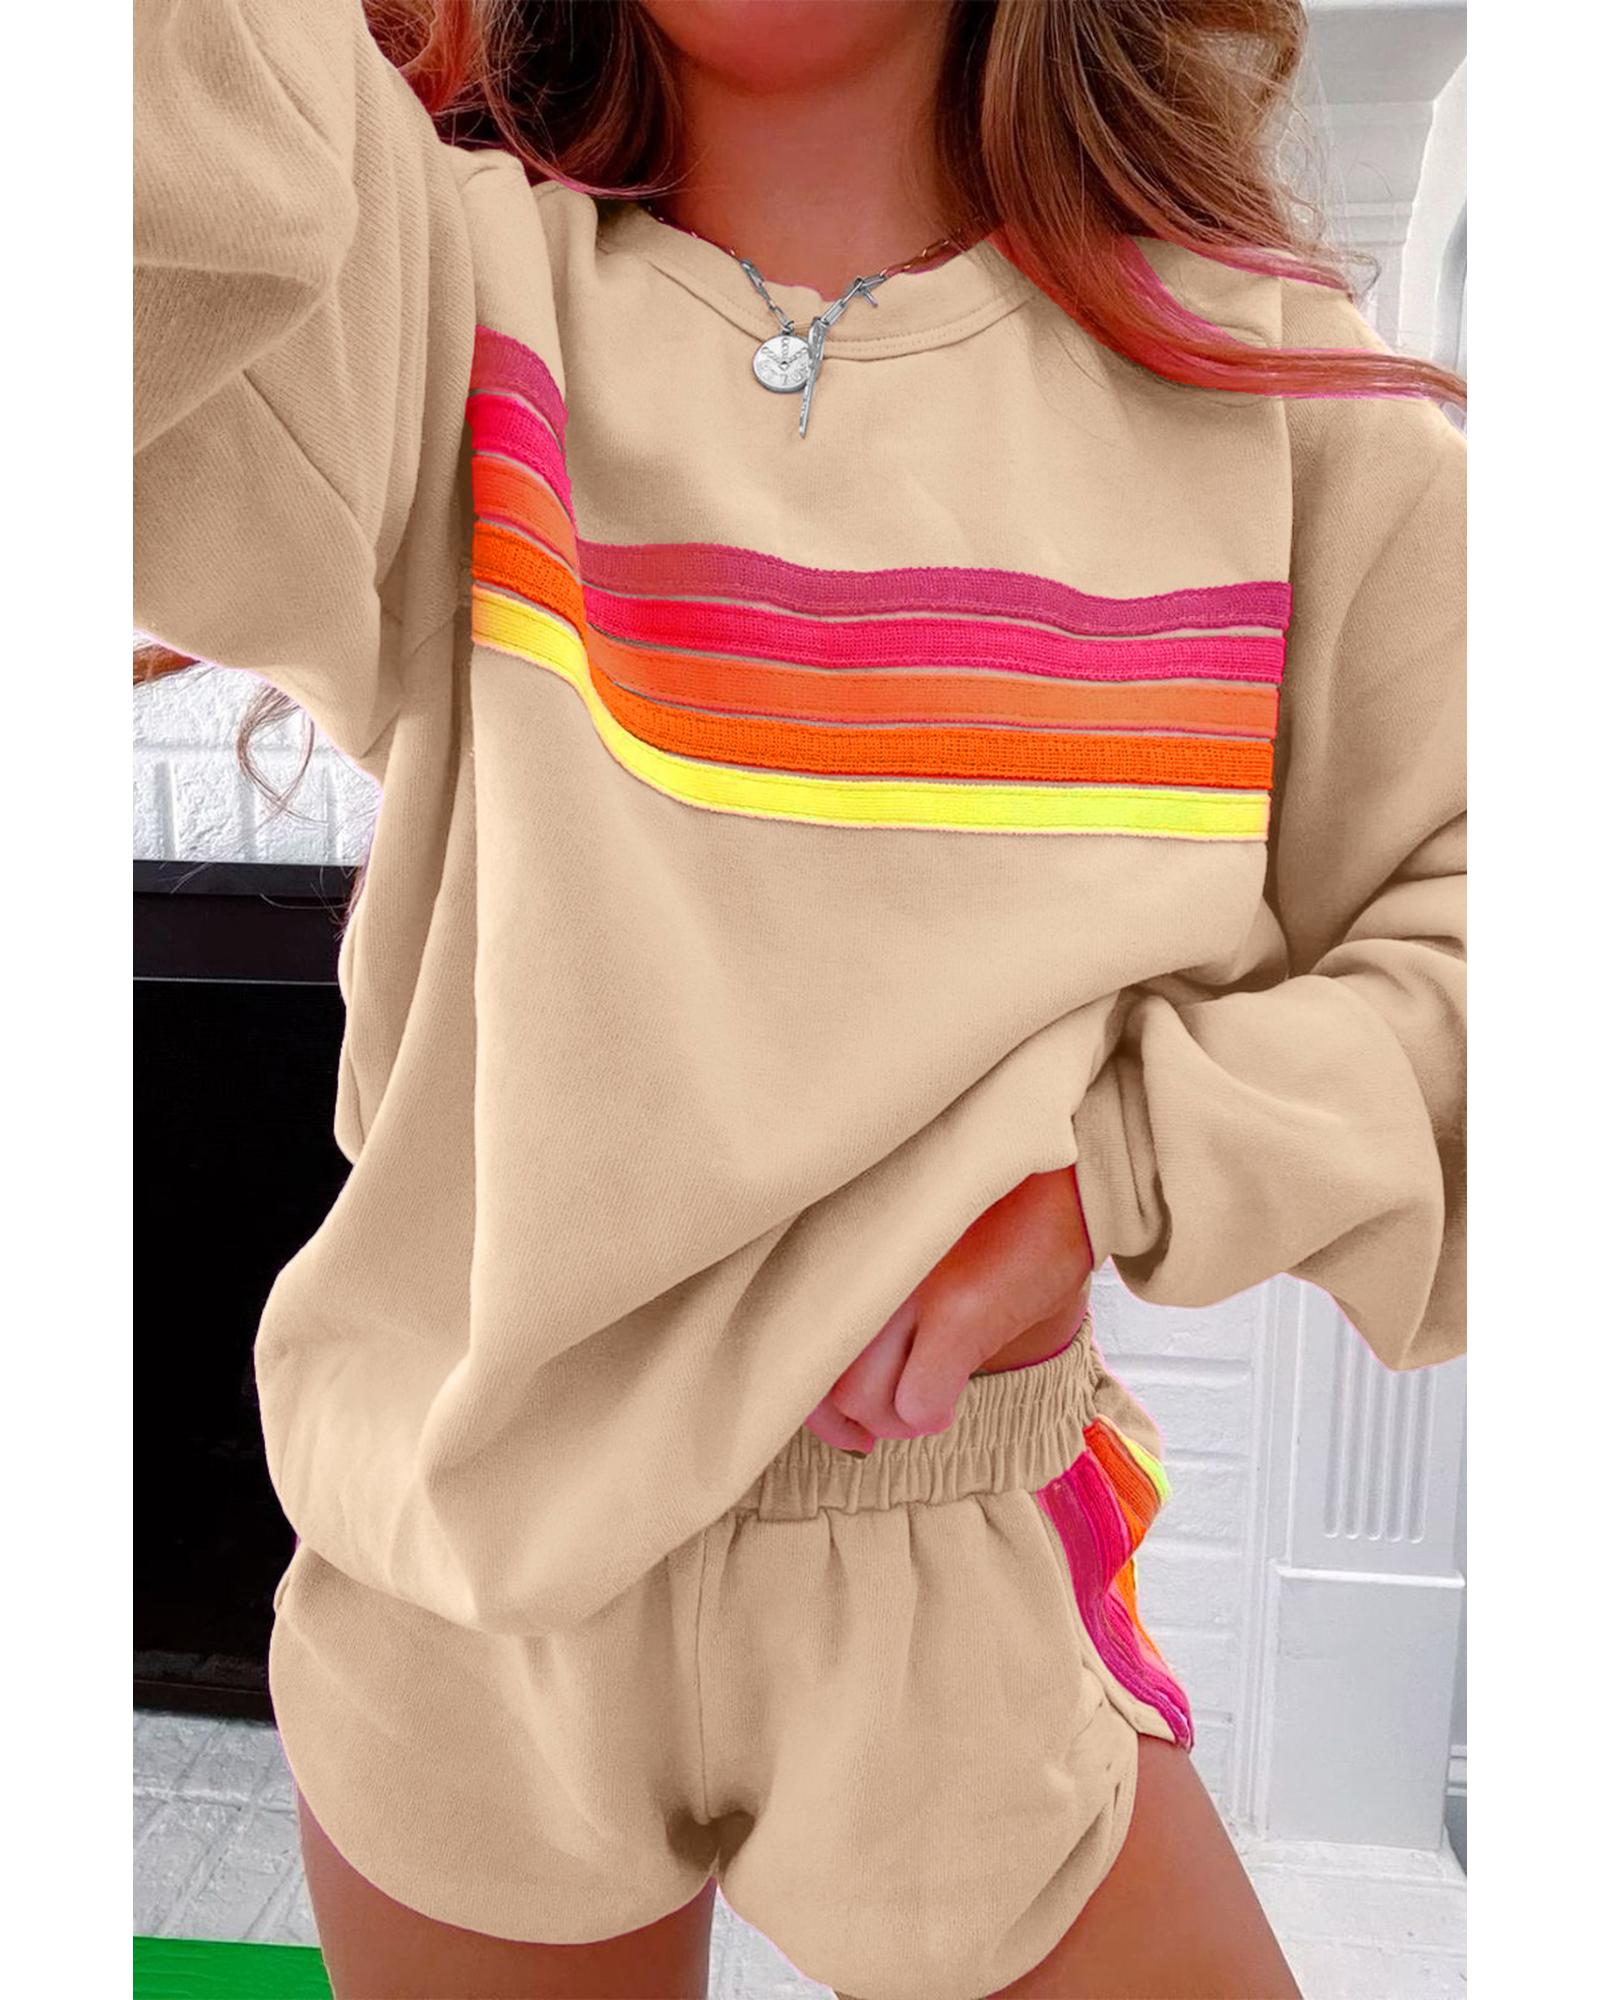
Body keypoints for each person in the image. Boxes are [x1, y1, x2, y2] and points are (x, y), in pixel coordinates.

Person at [133, 1, 1466, 1994]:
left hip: (947, 1559)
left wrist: (1129, 1166)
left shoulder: (1268, 397)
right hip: (462, 1584)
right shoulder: (432, 297)